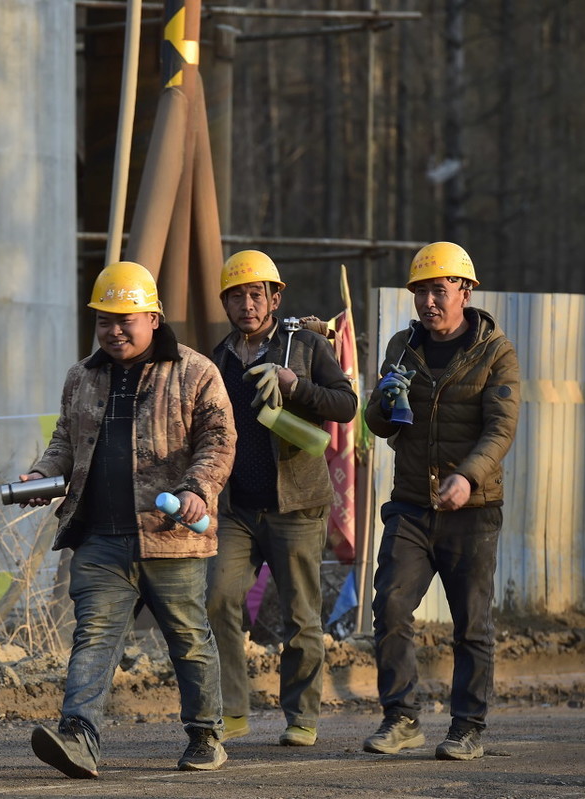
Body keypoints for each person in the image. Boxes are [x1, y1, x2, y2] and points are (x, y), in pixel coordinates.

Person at [19, 261, 236, 777]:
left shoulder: (195, 371)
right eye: (104, 321)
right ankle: (80, 738)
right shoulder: (82, 376)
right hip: (99, 536)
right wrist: (39, 473)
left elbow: (219, 440)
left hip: (171, 536)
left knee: (188, 637)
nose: (114, 330)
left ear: (153, 317)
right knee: (93, 636)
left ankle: (206, 734)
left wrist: (198, 490)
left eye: (126, 319)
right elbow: (65, 443)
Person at [362, 242, 520, 761]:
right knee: (390, 606)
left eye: (439, 289)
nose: (428, 301)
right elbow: (380, 424)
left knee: (471, 623)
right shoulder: (401, 346)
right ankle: (401, 718)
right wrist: (381, 402)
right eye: (420, 291)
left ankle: (467, 726)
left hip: (472, 512)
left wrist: (468, 478)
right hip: (410, 505)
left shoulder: (496, 352)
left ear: (465, 291)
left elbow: (500, 429)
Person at [205, 250, 357, 747]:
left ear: (274, 297)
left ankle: (301, 716)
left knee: (299, 616)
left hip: (296, 506)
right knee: (220, 599)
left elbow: (346, 405)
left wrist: (296, 385)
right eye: (236, 295)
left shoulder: (305, 345)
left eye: (256, 294)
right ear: (225, 301)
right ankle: (231, 711)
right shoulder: (220, 357)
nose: (247, 304)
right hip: (237, 509)